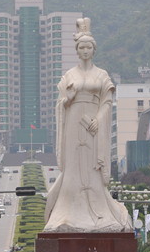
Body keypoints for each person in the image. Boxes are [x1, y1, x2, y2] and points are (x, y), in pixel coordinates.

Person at [44, 18, 131, 233]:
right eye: (81, 47)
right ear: (77, 50)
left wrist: (98, 120)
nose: (85, 50)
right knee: (74, 166)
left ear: (94, 49)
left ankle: (99, 210)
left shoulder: (101, 75)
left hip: (93, 126)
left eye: (88, 47)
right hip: (73, 123)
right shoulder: (69, 76)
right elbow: (60, 102)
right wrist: (68, 99)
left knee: (92, 167)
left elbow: (107, 102)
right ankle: (68, 212)